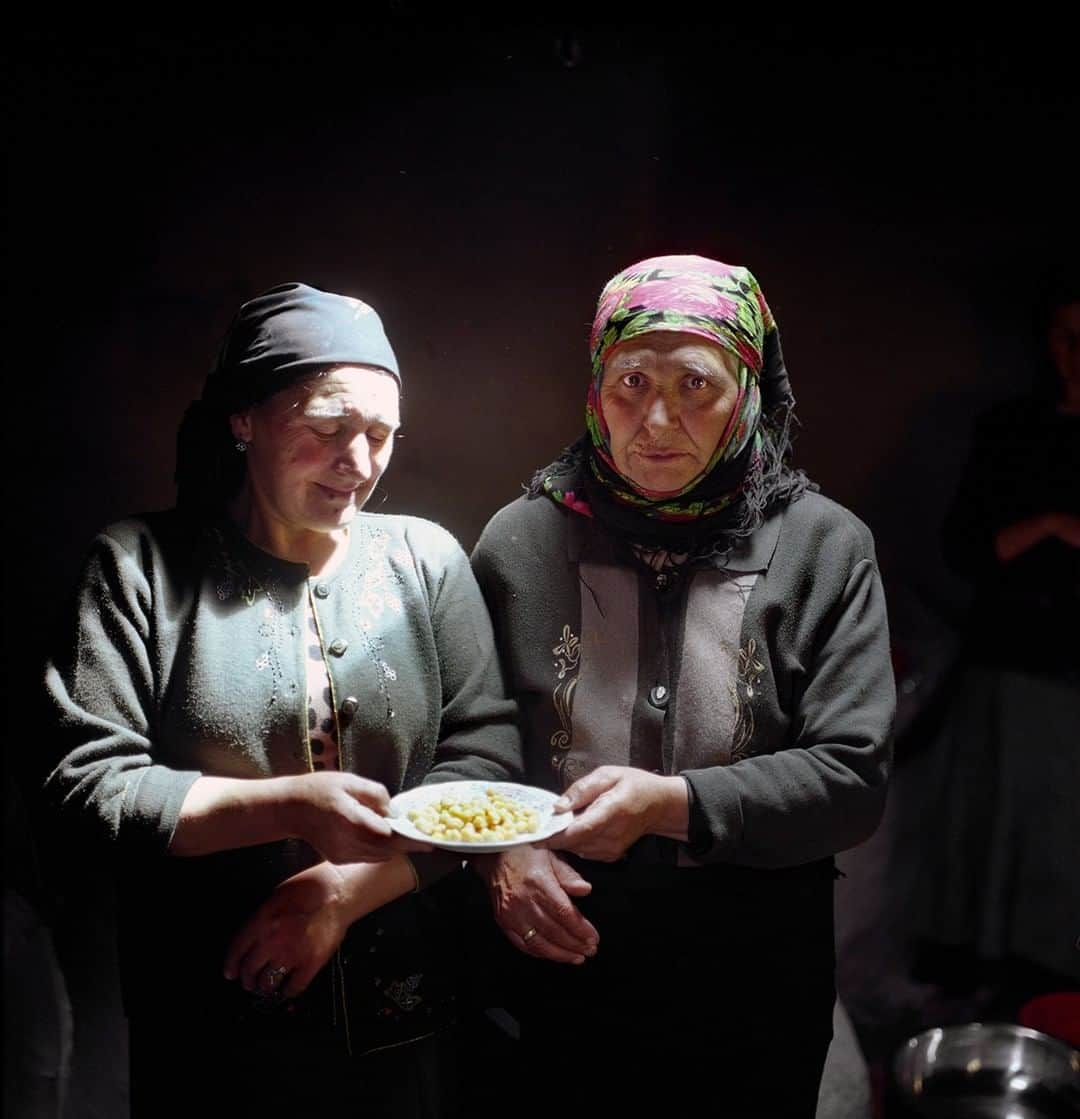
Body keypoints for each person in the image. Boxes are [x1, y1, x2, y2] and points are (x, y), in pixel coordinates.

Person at [39, 282, 521, 1117]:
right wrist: (289, 806)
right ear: (244, 417)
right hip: (211, 1023)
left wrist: (340, 891)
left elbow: (486, 763)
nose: (360, 461)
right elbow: (85, 787)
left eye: (380, 435)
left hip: (407, 1019)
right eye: (330, 427)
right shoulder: (137, 568)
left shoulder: (427, 561)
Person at [468, 254, 896, 1115]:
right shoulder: (521, 541)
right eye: (631, 381)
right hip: (555, 967)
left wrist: (672, 803)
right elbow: (465, 743)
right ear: (595, 387)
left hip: (752, 987)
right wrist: (501, 854)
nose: (657, 419)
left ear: (748, 389)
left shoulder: (823, 547)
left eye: (696, 384)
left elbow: (852, 780)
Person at [913, 273, 1080, 1006]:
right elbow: (964, 545)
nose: (1078, 352)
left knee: (1056, 839)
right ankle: (973, 988)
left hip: (1071, 674)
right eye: (1066, 335)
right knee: (980, 829)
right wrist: (1046, 528)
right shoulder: (1011, 429)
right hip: (1000, 661)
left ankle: (1044, 990)